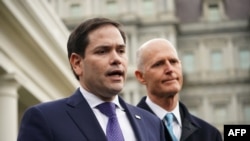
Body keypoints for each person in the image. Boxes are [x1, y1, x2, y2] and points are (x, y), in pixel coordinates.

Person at [17, 18, 166, 141]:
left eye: (121, 51)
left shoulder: (152, 123)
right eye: (102, 51)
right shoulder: (45, 119)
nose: (116, 59)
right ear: (77, 63)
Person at [135, 38, 223, 141]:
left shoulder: (209, 135)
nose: (170, 69)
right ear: (141, 76)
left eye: (173, 62)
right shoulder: (127, 130)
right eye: (158, 64)